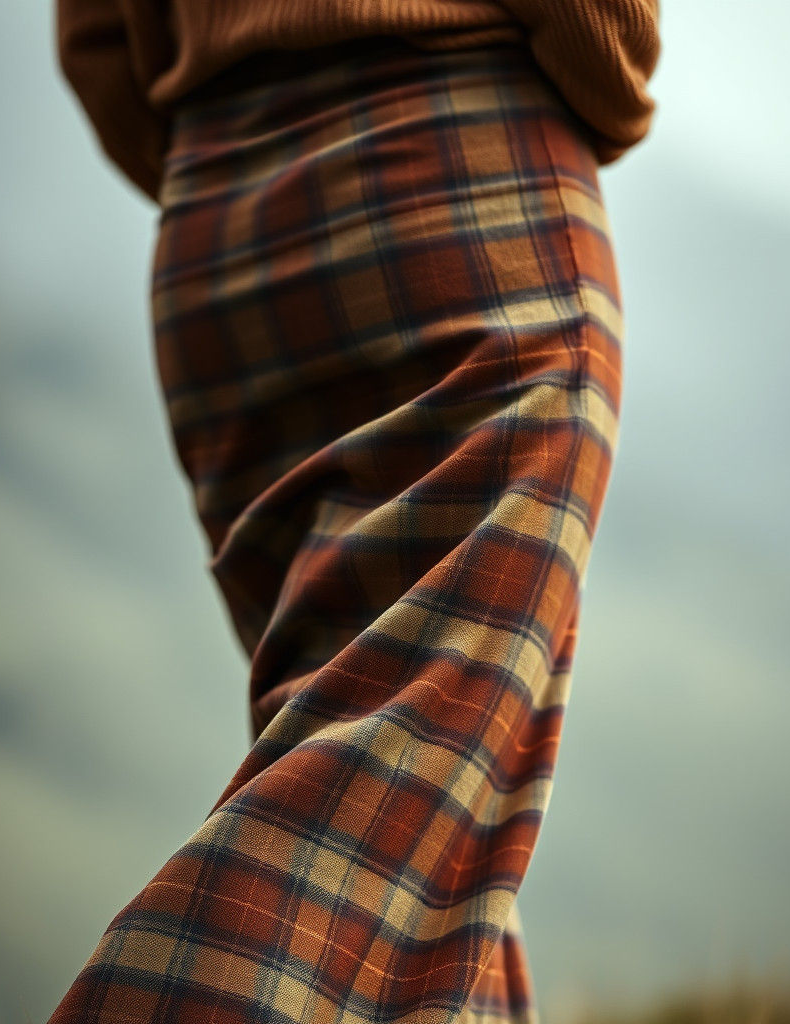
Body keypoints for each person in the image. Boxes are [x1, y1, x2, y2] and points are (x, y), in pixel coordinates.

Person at [48, 4, 660, 1022]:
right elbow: (601, 28)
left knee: (411, 836)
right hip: (465, 187)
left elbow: (93, 39)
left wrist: (227, 142)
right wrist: (615, 86)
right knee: (371, 815)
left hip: (218, 236)